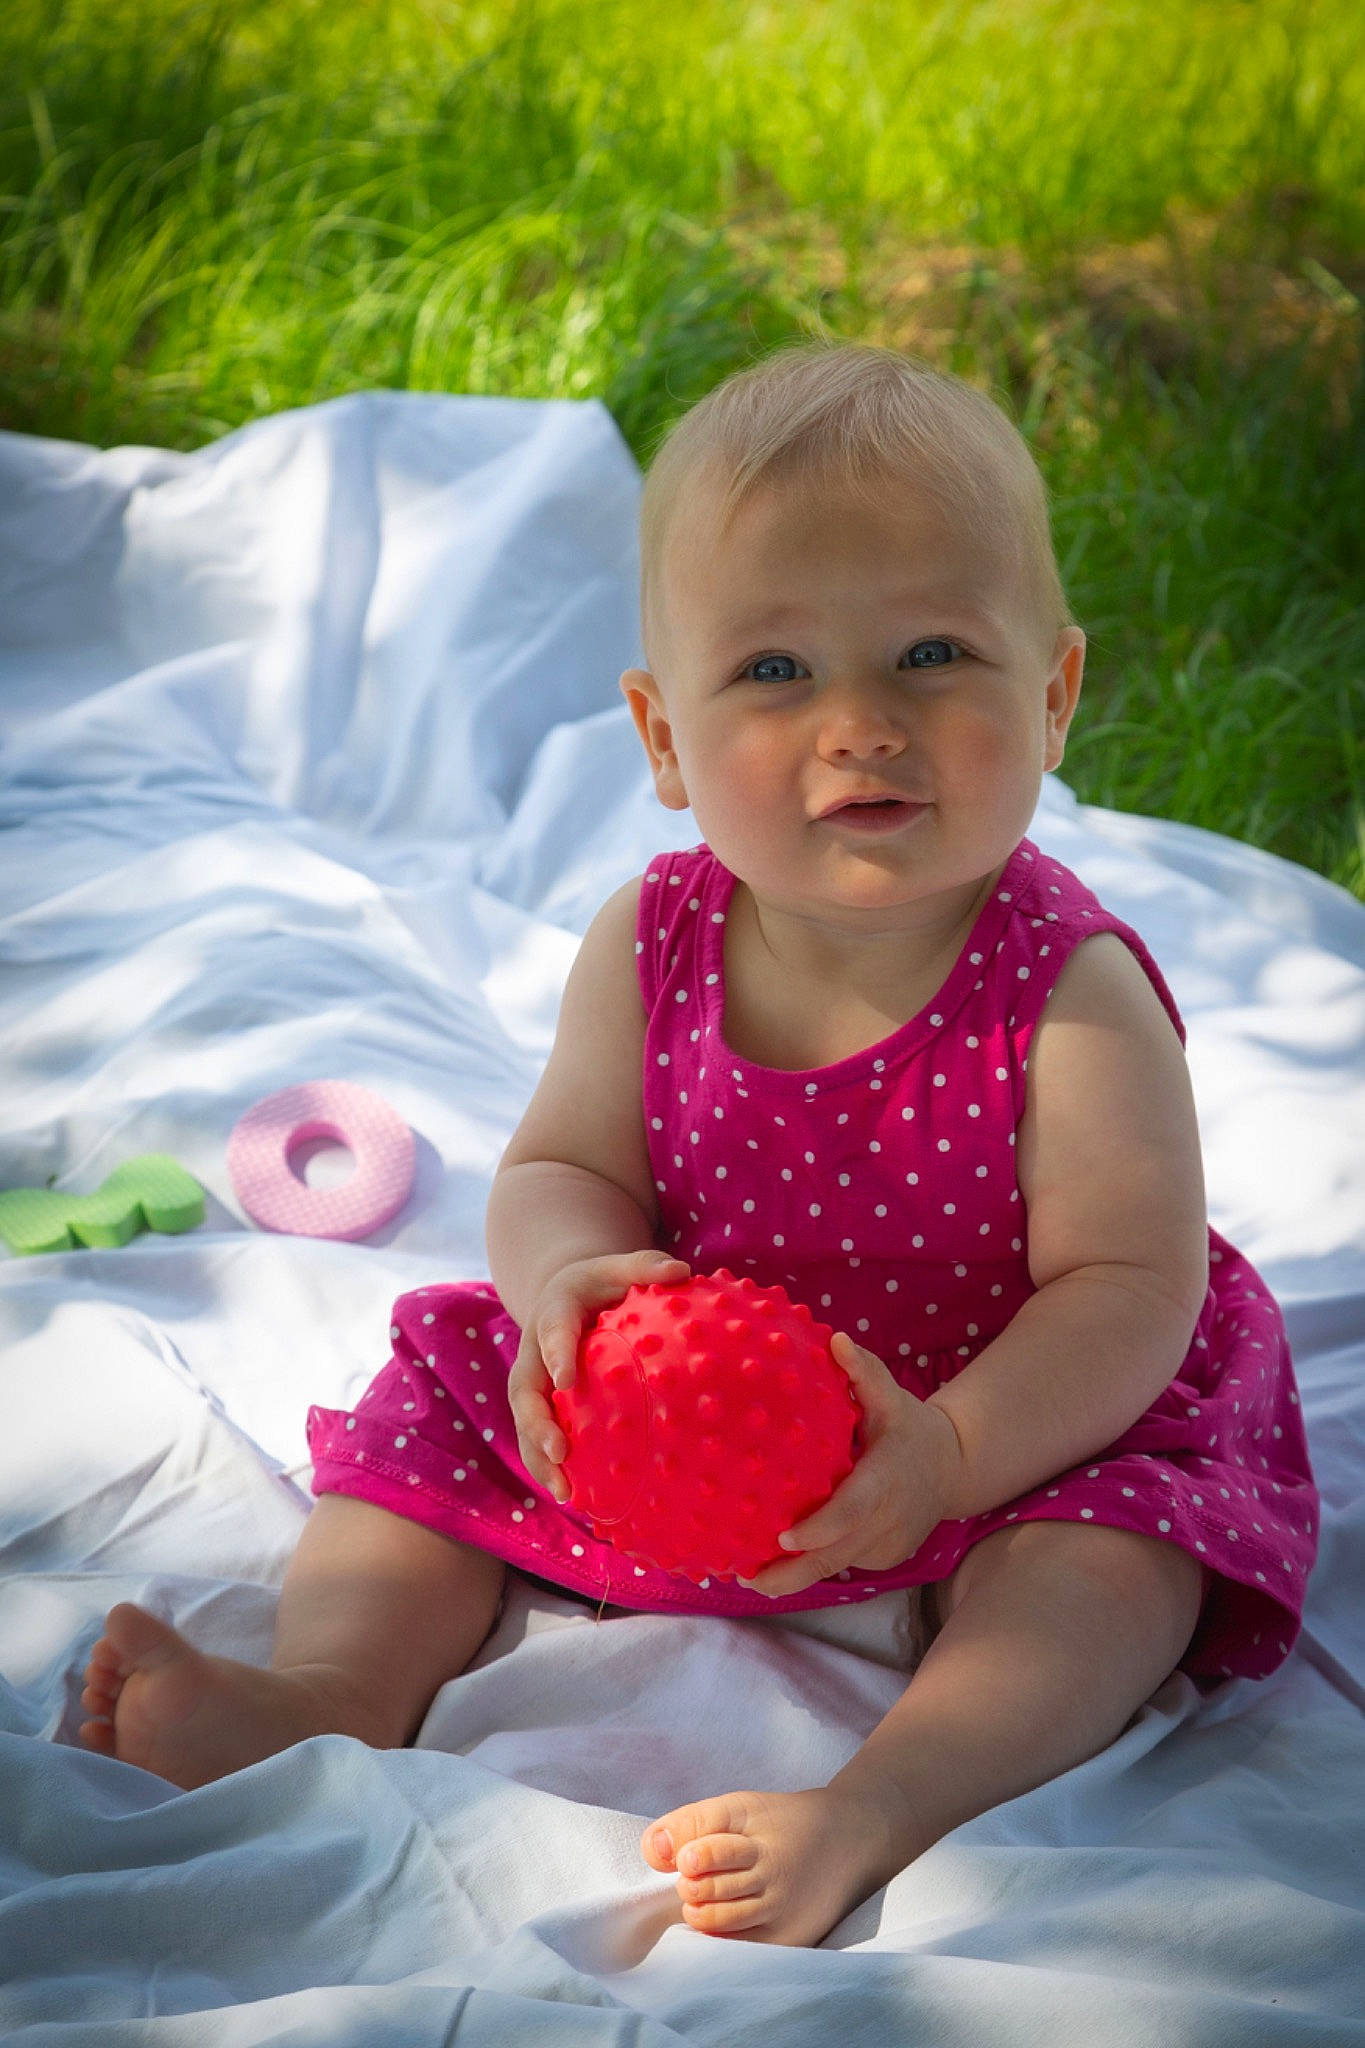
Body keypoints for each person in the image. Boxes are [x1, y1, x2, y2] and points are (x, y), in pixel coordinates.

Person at [79, 341, 1319, 1949]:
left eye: (932, 652)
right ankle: (329, 1691)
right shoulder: (654, 937)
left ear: (1054, 694)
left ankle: (873, 1804)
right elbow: (556, 1172)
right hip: (692, 1412)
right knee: (433, 1419)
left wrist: (946, 1454)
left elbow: (1125, 1290)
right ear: (661, 739)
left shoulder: (1065, 992)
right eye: (775, 673)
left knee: (1115, 1573)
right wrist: (570, 1286)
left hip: (1004, 1413)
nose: (858, 724)